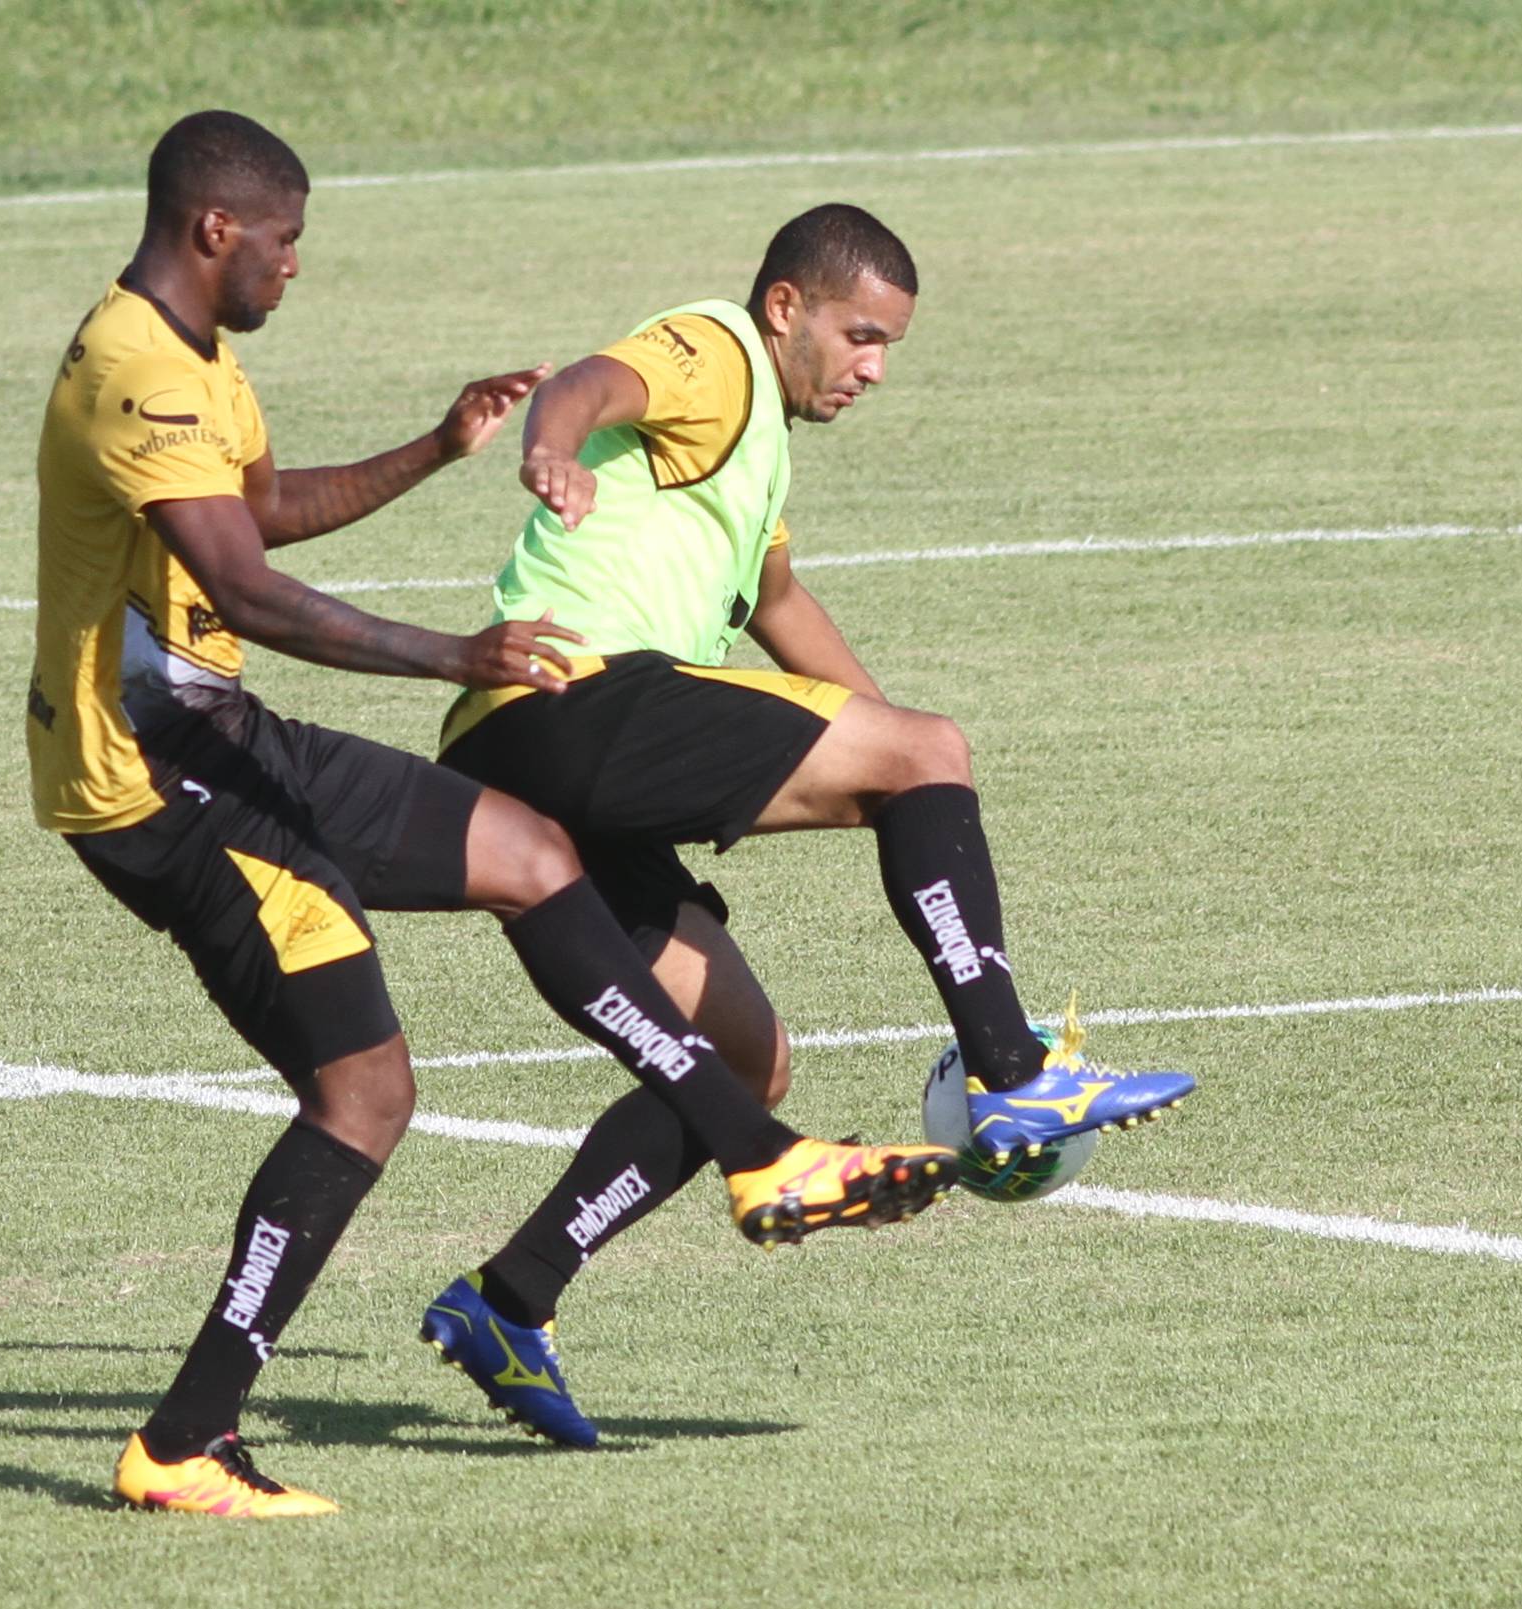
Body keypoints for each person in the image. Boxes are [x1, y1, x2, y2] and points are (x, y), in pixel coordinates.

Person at [30, 119, 963, 1517]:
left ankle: (742, 1159)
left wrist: (434, 444)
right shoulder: (134, 370)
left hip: (222, 739)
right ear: (215, 230)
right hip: (156, 783)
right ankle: (182, 1445)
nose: (296, 264)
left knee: (529, 857)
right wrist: (452, 654)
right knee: (364, 1093)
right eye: (285, 240)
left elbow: (261, 509)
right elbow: (258, 593)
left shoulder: (203, 365)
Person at [417, 204, 1198, 1448]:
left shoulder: (753, 447)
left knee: (740, 1061)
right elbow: (587, 383)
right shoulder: (719, 347)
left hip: (527, 772)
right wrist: (548, 447)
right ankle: (1014, 1079)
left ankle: (511, 1296)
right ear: (789, 306)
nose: (874, 368)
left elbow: (778, 600)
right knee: (924, 750)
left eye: (889, 346)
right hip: (571, 701)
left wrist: (917, 774)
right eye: (861, 335)